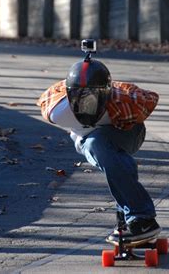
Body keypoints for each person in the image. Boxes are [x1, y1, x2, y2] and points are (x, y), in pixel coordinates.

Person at [36, 46, 160, 243]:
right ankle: (131, 219)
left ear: (106, 95)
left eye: (93, 99)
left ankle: (140, 216)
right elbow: (48, 96)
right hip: (87, 140)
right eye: (79, 99)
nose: (86, 106)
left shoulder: (122, 103)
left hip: (128, 132)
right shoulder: (57, 110)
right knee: (100, 146)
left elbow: (150, 98)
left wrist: (119, 94)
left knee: (102, 146)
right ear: (69, 96)